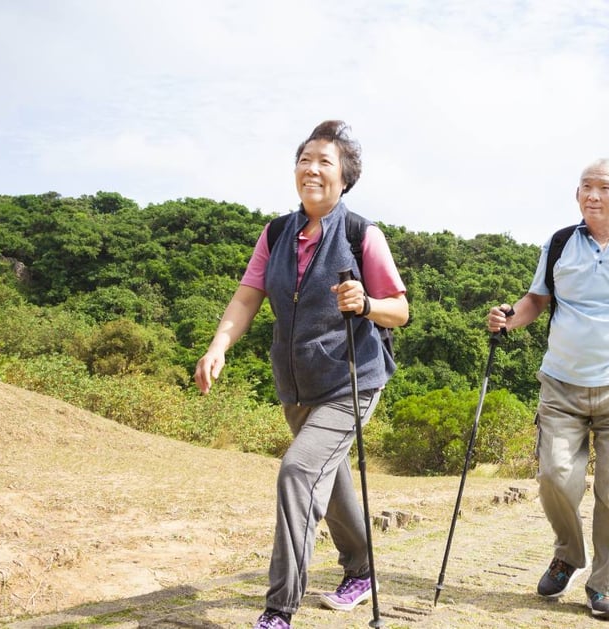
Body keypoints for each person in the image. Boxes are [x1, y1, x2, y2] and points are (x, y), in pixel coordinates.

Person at [194, 120, 408, 629]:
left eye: (325, 162)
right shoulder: (275, 233)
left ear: (344, 177)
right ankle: (361, 569)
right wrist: (219, 345)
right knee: (328, 482)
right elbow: (249, 294)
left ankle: (279, 609)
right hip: (296, 384)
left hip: (351, 380)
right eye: (305, 159)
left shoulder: (362, 234)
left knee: (297, 472)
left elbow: (400, 310)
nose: (312, 168)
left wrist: (367, 301)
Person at [486, 158, 609, 621]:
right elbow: (538, 298)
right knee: (554, 475)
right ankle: (569, 554)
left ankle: (606, 585)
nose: (592, 195)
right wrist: (510, 317)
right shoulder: (559, 244)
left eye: (604, 188)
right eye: (585, 187)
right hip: (561, 383)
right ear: (577, 195)